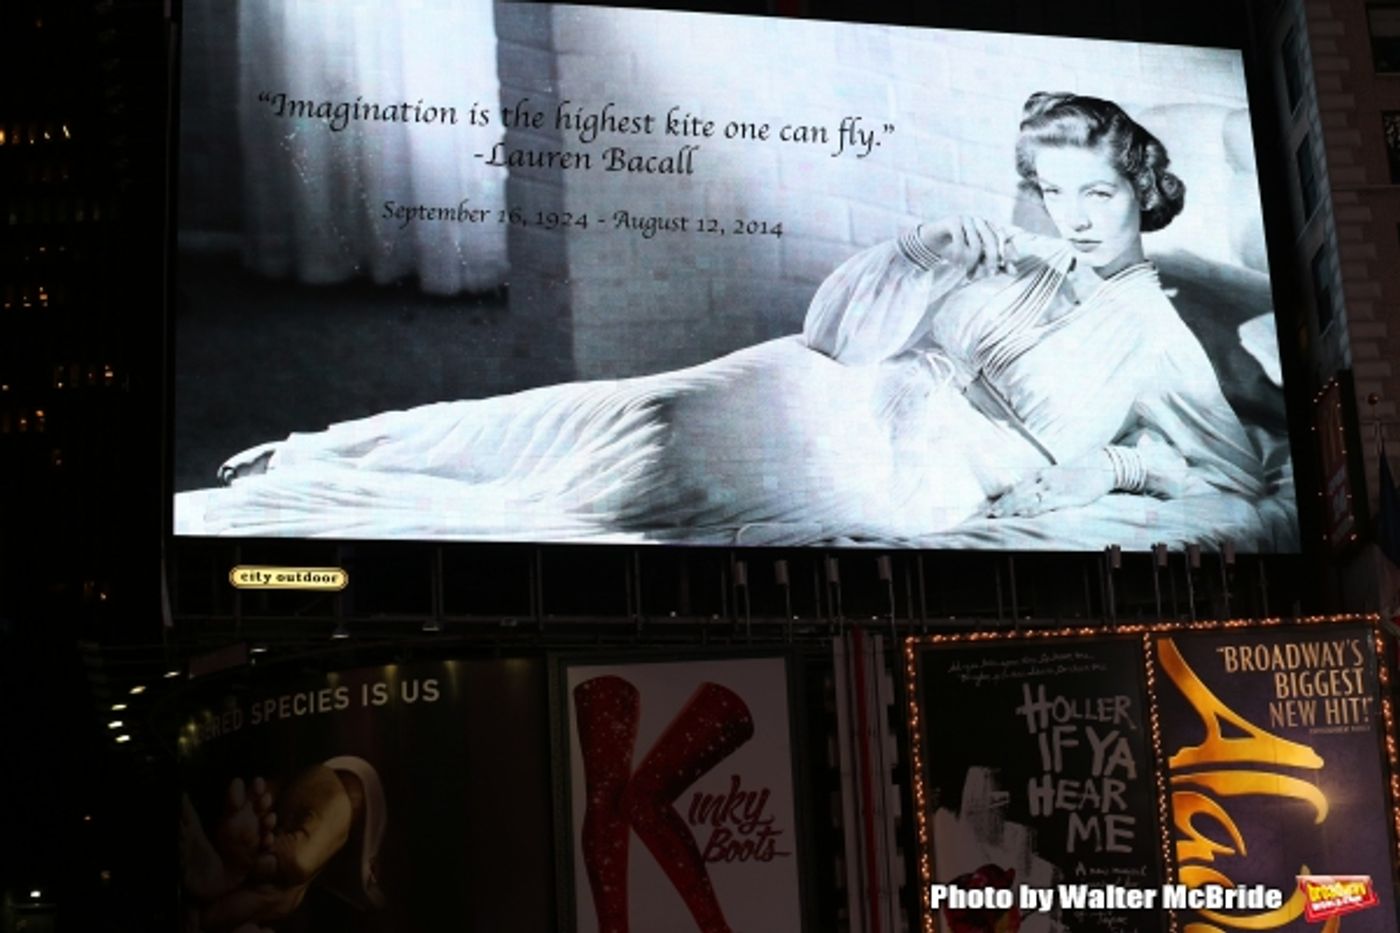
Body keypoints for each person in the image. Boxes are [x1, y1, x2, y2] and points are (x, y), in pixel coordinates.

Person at [187, 92, 1263, 543]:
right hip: (817, 383)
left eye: (1097, 196)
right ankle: (322, 457)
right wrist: (912, 254)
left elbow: (1237, 474)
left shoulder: (1158, 341)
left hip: (906, 475)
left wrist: (1120, 473)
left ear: (1141, 196)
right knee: (588, 414)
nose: (1070, 218)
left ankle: (301, 513)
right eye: (1051, 190)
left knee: (599, 505)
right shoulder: (1003, 255)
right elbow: (835, 337)